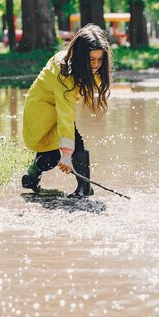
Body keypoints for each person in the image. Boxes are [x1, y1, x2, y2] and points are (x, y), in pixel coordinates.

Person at [21, 24, 112, 195]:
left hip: (59, 107)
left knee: (74, 141)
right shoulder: (64, 71)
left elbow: (68, 110)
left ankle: (84, 188)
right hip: (41, 110)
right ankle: (33, 173)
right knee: (52, 158)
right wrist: (66, 154)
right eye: (92, 59)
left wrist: (68, 152)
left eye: (100, 60)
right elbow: (65, 115)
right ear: (80, 56)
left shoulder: (89, 68)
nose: (96, 64)